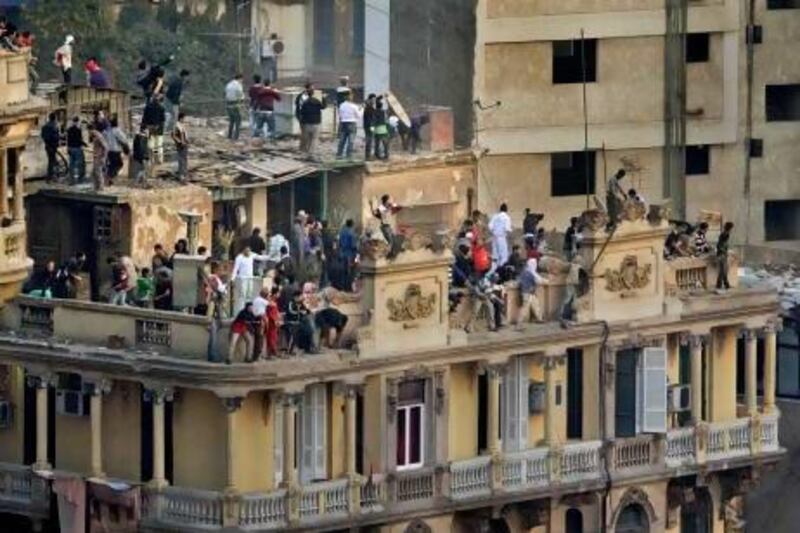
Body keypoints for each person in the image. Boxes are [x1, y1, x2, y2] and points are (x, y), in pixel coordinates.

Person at [517, 258, 548, 328]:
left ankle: (539, 318)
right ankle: (519, 324)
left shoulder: (524, 272)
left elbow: (520, 282)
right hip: (528, 293)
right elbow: (538, 281)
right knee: (524, 309)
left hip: (528, 293)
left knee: (536, 305)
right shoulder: (531, 273)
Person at [298, 84, 326, 157]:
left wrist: (302, 122)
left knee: (307, 138)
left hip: (307, 123)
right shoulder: (317, 101)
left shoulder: (305, 103)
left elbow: (302, 112)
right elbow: (323, 107)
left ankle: (304, 152)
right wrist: (323, 98)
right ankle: (311, 153)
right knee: (314, 139)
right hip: (316, 123)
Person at [142, 95, 166, 165]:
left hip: (150, 128)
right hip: (159, 129)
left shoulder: (148, 107)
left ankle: (151, 159)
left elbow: (144, 118)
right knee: (159, 145)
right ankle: (159, 160)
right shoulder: (161, 108)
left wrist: (143, 127)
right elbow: (163, 120)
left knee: (150, 145)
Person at [104, 116, 129, 182]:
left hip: (109, 150)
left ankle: (109, 178)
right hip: (116, 150)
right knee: (119, 164)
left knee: (112, 165)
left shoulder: (108, 130)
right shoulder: (117, 131)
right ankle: (109, 177)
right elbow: (124, 139)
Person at [336, 93, 360, 159]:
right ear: (351, 98)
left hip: (343, 123)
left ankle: (339, 154)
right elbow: (358, 116)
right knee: (351, 141)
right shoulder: (354, 106)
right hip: (352, 123)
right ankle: (348, 155)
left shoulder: (341, 105)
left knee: (342, 140)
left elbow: (340, 115)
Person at [488, 203, 512, 268]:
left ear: (500, 209)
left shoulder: (495, 216)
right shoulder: (507, 217)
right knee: (503, 255)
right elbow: (507, 229)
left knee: (495, 255)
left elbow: (490, 226)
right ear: (506, 210)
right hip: (501, 238)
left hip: (494, 237)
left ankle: (494, 270)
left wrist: (494, 232)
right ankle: (502, 270)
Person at [338, 219, 358, 288]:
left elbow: (339, 243)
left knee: (343, 271)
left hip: (342, 253)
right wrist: (356, 256)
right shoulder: (352, 233)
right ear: (352, 225)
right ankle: (348, 287)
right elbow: (354, 246)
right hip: (350, 254)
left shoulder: (342, 232)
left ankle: (342, 285)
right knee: (350, 271)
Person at [66, 117, 87, 183]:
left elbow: (68, 140)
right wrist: (85, 144)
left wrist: (68, 148)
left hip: (71, 148)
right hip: (77, 148)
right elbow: (79, 140)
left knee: (71, 165)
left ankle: (71, 180)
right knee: (80, 164)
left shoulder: (69, 129)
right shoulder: (78, 130)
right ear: (77, 122)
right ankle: (80, 179)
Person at [224, 73, 245, 140]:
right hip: (236, 104)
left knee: (231, 121)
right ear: (240, 78)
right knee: (238, 121)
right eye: (242, 79)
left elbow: (226, 94)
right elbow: (240, 94)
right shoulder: (238, 85)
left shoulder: (228, 84)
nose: (242, 81)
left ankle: (229, 135)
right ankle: (236, 137)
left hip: (228, 104)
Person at [89, 123, 109, 191]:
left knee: (98, 172)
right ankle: (96, 187)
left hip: (99, 157)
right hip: (96, 156)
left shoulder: (98, 136)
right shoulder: (95, 135)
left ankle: (100, 187)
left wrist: (103, 157)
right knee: (94, 173)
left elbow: (106, 147)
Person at [41, 113, 61, 181]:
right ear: (54, 118)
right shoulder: (54, 126)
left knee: (51, 160)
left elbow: (43, 136)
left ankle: (52, 176)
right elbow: (56, 137)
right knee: (52, 162)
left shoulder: (45, 126)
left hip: (47, 146)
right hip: (53, 146)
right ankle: (51, 176)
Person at [716, 222, 734, 292]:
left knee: (722, 270)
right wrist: (725, 251)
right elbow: (721, 245)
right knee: (724, 270)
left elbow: (720, 245)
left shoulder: (723, 234)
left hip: (721, 254)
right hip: (722, 254)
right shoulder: (725, 234)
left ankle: (721, 285)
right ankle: (725, 285)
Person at [172, 112, 189, 182]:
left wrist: (187, 141)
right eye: (184, 118)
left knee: (185, 160)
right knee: (181, 160)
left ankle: (184, 174)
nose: (185, 119)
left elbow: (185, 135)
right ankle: (181, 175)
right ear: (181, 118)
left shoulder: (182, 125)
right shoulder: (177, 126)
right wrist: (179, 141)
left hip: (185, 145)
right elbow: (173, 135)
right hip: (180, 146)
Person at [363, 94, 377, 160]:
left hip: (367, 126)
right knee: (369, 141)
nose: (374, 101)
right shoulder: (369, 108)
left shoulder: (368, 106)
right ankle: (368, 156)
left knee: (369, 141)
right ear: (371, 99)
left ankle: (368, 156)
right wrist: (372, 127)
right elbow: (370, 119)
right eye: (373, 99)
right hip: (369, 126)